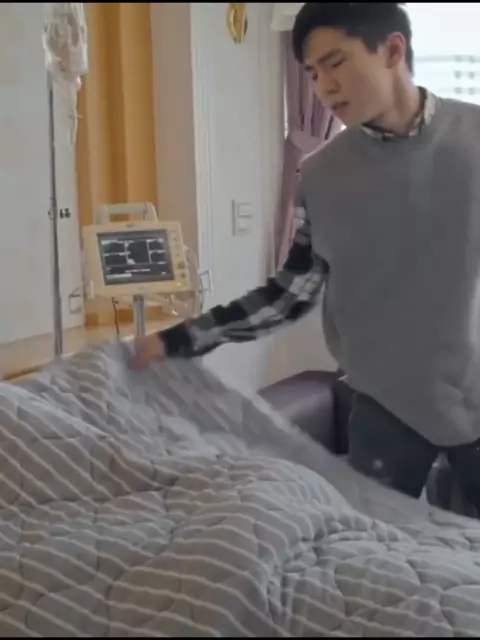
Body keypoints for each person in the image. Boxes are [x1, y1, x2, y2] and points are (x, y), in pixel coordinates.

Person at [131, 2, 480, 514]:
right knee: (369, 545)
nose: (324, 88)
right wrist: (179, 340)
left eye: (335, 63)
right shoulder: (320, 175)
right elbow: (288, 295)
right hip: (387, 407)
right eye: (313, 73)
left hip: (475, 388)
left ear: (392, 50)